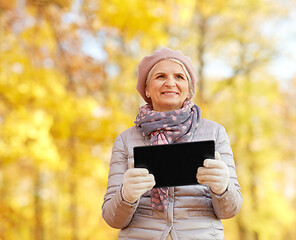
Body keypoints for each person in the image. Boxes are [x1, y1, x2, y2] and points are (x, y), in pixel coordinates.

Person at [102, 48, 242, 240]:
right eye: (160, 76)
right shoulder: (125, 140)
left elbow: (230, 210)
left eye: (179, 77)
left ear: (189, 89)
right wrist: (126, 196)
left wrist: (223, 188)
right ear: (147, 89)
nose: (170, 83)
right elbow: (112, 219)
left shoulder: (215, 133)